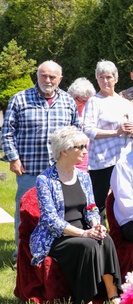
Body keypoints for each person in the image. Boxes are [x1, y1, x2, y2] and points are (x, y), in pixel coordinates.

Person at [29, 127, 122, 304]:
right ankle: (86, 302)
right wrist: (84, 233)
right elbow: (50, 220)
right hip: (57, 237)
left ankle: (113, 296)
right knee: (88, 245)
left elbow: (91, 208)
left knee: (106, 240)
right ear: (65, 150)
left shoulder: (84, 176)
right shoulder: (45, 180)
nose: (86, 151)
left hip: (83, 231)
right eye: (81, 147)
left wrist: (96, 224)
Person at [1, 60, 80, 261]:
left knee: (59, 214)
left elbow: (75, 132)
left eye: (52, 77)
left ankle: (54, 254)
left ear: (60, 79)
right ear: (37, 76)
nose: (48, 80)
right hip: (29, 170)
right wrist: (13, 158)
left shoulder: (68, 101)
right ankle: (21, 255)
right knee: (26, 214)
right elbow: (7, 132)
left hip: (58, 172)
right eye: (44, 75)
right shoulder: (20, 99)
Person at [82, 60, 133, 223]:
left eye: (109, 77)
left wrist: (131, 131)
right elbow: (88, 130)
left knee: (124, 199)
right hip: (102, 160)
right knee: (98, 203)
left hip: (124, 158)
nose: (106, 81)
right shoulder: (94, 101)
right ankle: (98, 235)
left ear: (116, 79)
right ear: (97, 79)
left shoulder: (124, 103)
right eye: (101, 77)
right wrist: (116, 132)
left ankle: (123, 236)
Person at [67, 77, 97, 172]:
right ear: (72, 97)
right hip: (71, 159)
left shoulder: (91, 112)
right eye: (81, 101)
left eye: (87, 101)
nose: (84, 104)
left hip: (90, 159)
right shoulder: (67, 112)